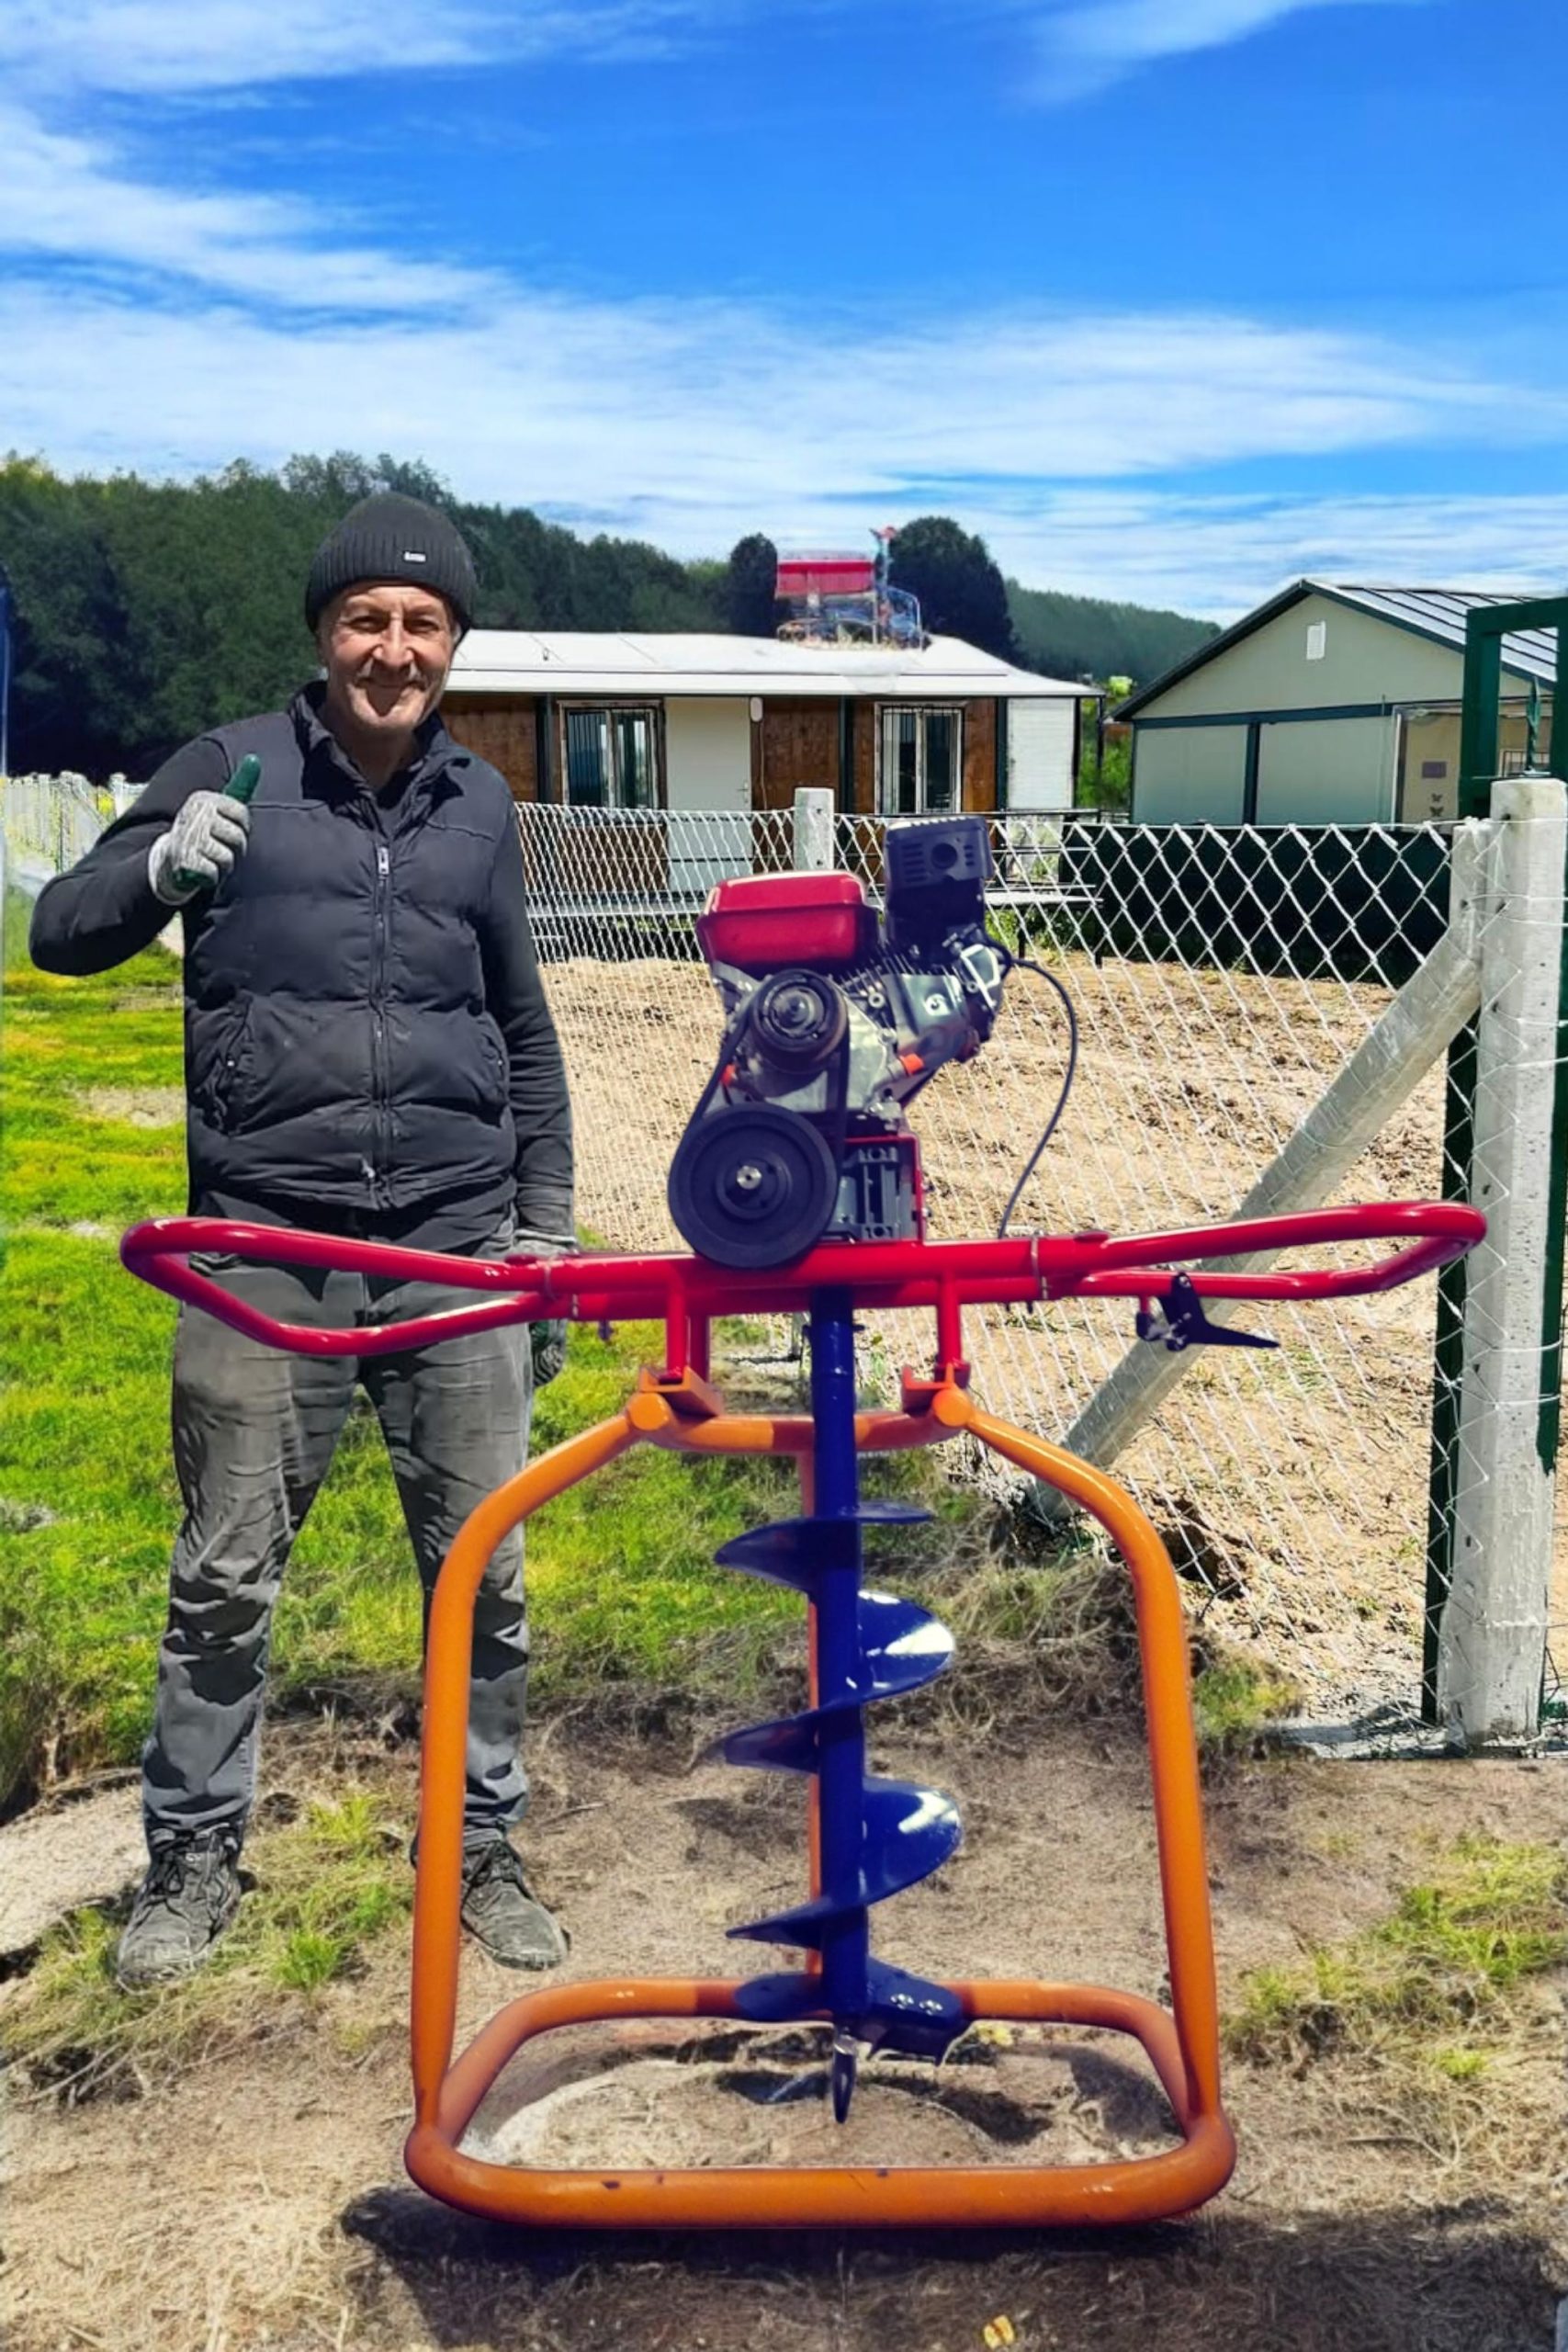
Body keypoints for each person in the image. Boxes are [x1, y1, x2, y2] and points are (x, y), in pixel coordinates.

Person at [30, 493, 576, 1986]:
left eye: (424, 625)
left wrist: (548, 1229)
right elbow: (58, 931)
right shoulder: (230, 769)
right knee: (222, 1574)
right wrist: (155, 871)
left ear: (452, 643)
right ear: (324, 633)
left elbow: (520, 1029)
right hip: (261, 1247)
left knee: (487, 1573)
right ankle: (192, 1867)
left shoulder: (481, 803)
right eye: (367, 620)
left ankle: (482, 1853)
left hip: (457, 1247)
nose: (394, 649)